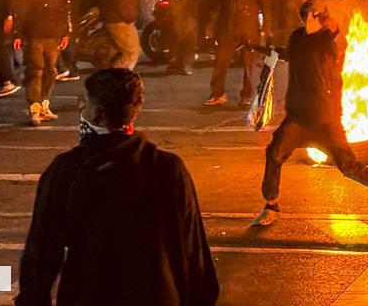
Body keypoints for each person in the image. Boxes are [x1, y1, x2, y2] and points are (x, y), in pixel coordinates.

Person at [16, 68, 218, 306]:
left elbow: (42, 254)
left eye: (86, 104)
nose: (82, 110)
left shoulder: (67, 171)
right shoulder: (168, 168)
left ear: (99, 115)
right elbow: (192, 249)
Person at [253, 0, 368, 227]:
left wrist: (329, 26)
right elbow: (288, 53)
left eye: (314, 15)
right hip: (297, 117)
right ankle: (271, 206)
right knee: (275, 153)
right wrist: (254, 47)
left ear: (322, 17)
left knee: (348, 166)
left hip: (324, 119)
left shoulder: (328, 42)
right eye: (305, 14)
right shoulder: (297, 38)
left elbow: (325, 46)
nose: (309, 19)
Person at [205, 0, 273, 107]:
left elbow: (265, 5)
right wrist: (212, 25)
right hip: (229, 25)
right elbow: (222, 4)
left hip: (248, 27)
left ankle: (247, 95)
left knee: (248, 63)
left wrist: (266, 27)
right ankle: (218, 93)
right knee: (221, 60)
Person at [14, 0, 72, 126]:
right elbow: (25, 7)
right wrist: (19, 32)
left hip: (48, 33)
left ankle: (42, 106)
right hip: (40, 33)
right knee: (38, 71)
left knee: (47, 71)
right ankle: (35, 109)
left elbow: (66, 7)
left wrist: (66, 32)